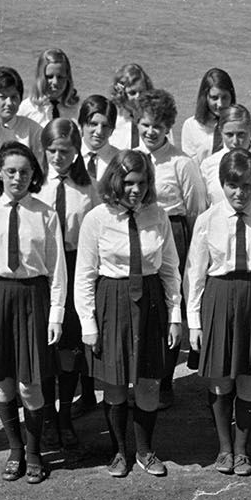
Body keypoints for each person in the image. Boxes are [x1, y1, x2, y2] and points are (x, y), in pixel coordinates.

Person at [0, 143, 66, 485]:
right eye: (11, 171)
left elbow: (57, 270)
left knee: (31, 383)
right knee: (3, 383)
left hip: (32, 298)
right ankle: (15, 449)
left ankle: (34, 452)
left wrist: (56, 316)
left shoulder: (45, 214)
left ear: (34, 174)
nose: (17, 177)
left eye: (24, 171)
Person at [73, 150, 182, 479]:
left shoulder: (158, 216)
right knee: (116, 385)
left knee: (148, 384)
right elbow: (85, 276)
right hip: (113, 303)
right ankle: (120, 451)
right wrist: (88, 325)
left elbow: (170, 270)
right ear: (115, 181)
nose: (135, 189)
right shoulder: (96, 218)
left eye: (142, 182)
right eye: (129, 182)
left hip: (150, 304)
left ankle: (145, 451)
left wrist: (175, 315)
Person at [187, 149, 251, 477]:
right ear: (222, 184)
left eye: (246, 185)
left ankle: (243, 448)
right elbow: (196, 273)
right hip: (219, 301)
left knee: (249, 380)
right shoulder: (208, 220)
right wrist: (194, 322)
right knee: (220, 380)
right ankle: (224, 448)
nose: (239, 192)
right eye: (232, 185)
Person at [135, 88, 209, 407]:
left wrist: (190, 253)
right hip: (137, 232)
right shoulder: (132, 157)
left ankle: (165, 381)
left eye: (158, 125)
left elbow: (195, 208)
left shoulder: (182, 162)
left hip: (173, 233)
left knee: (168, 304)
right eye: (146, 124)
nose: (151, 131)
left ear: (169, 127)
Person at [34, 118, 97, 453]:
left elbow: (98, 230)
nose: (58, 157)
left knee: (70, 345)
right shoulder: (35, 183)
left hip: (74, 265)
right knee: (45, 344)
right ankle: (45, 415)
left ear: (76, 152)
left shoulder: (87, 188)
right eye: (52, 150)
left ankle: (64, 415)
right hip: (42, 271)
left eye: (66, 151)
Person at [201, 104, 251, 207]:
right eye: (229, 135)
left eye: (241, 134)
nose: (235, 142)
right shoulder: (208, 165)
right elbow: (204, 207)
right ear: (220, 131)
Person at [0, 65, 44, 168]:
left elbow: (40, 167)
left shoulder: (33, 130)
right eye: (2, 97)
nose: (9, 103)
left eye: (14, 97)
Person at [180, 67, 236, 164]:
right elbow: (190, 164)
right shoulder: (191, 126)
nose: (220, 104)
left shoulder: (238, 124)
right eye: (214, 98)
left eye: (225, 97)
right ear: (205, 97)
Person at [18, 48, 79, 127]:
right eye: (49, 77)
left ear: (68, 78)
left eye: (60, 77)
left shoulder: (78, 109)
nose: (55, 82)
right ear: (40, 77)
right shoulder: (27, 108)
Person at [73, 94, 118, 189]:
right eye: (93, 124)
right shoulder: (69, 155)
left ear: (112, 129)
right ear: (81, 124)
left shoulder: (119, 160)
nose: (99, 131)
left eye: (105, 126)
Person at [110, 62, 153, 151]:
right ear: (121, 93)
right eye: (132, 93)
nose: (138, 97)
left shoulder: (156, 116)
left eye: (142, 91)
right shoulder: (112, 117)